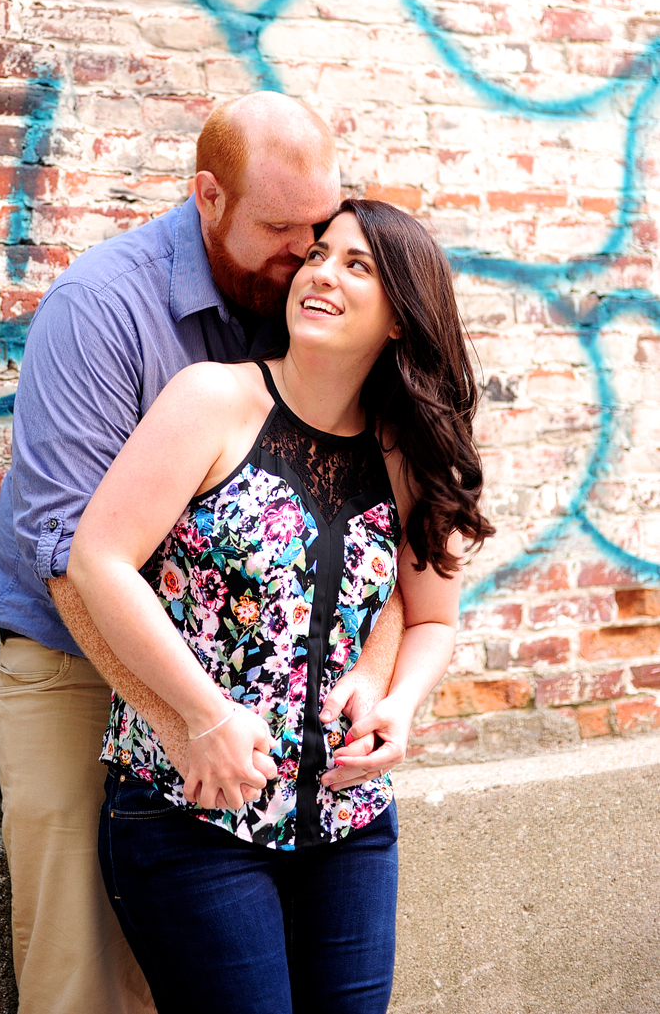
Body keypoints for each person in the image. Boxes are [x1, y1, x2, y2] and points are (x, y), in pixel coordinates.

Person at [0, 94, 406, 1014]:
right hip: (79, 657)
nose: (307, 255)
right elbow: (65, 553)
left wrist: (375, 680)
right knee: (85, 978)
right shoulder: (102, 307)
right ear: (207, 196)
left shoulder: (302, 304)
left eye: (323, 226)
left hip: (247, 691)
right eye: (282, 229)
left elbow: (389, 549)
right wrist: (177, 719)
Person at [67, 197, 495, 1014]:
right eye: (318, 255)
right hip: (194, 815)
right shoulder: (212, 402)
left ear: (401, 318)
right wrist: (203, 716)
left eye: (356, 265)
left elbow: (433, 615)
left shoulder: (405, 450)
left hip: (350, 826)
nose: (321, 274)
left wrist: (399, 704)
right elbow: (99, 559)